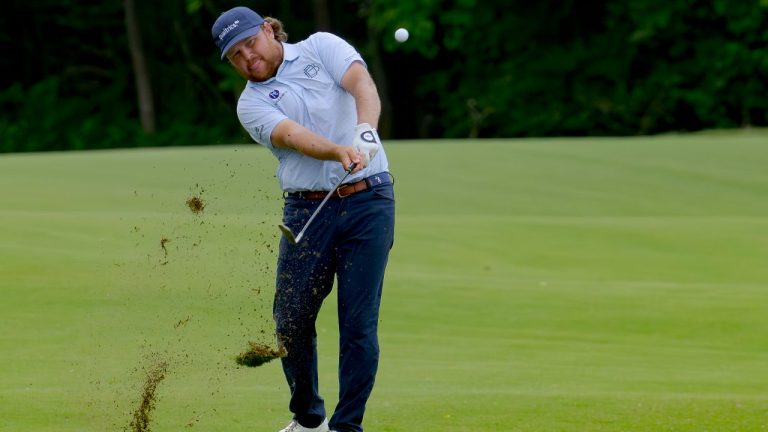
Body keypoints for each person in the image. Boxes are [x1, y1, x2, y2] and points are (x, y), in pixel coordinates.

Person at [211, 7, 395, 432]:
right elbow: (293, 136)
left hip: (369, 201)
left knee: (358, 323)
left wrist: (366, 131)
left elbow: (362, 85)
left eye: (250, 44)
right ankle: (309, 418)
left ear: (268, 30)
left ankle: (347, 426)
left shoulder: (321, 47)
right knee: (290, 320)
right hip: (307, 209)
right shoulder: (250, 104)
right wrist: (338, 150)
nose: (247, 57)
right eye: (236, 55)